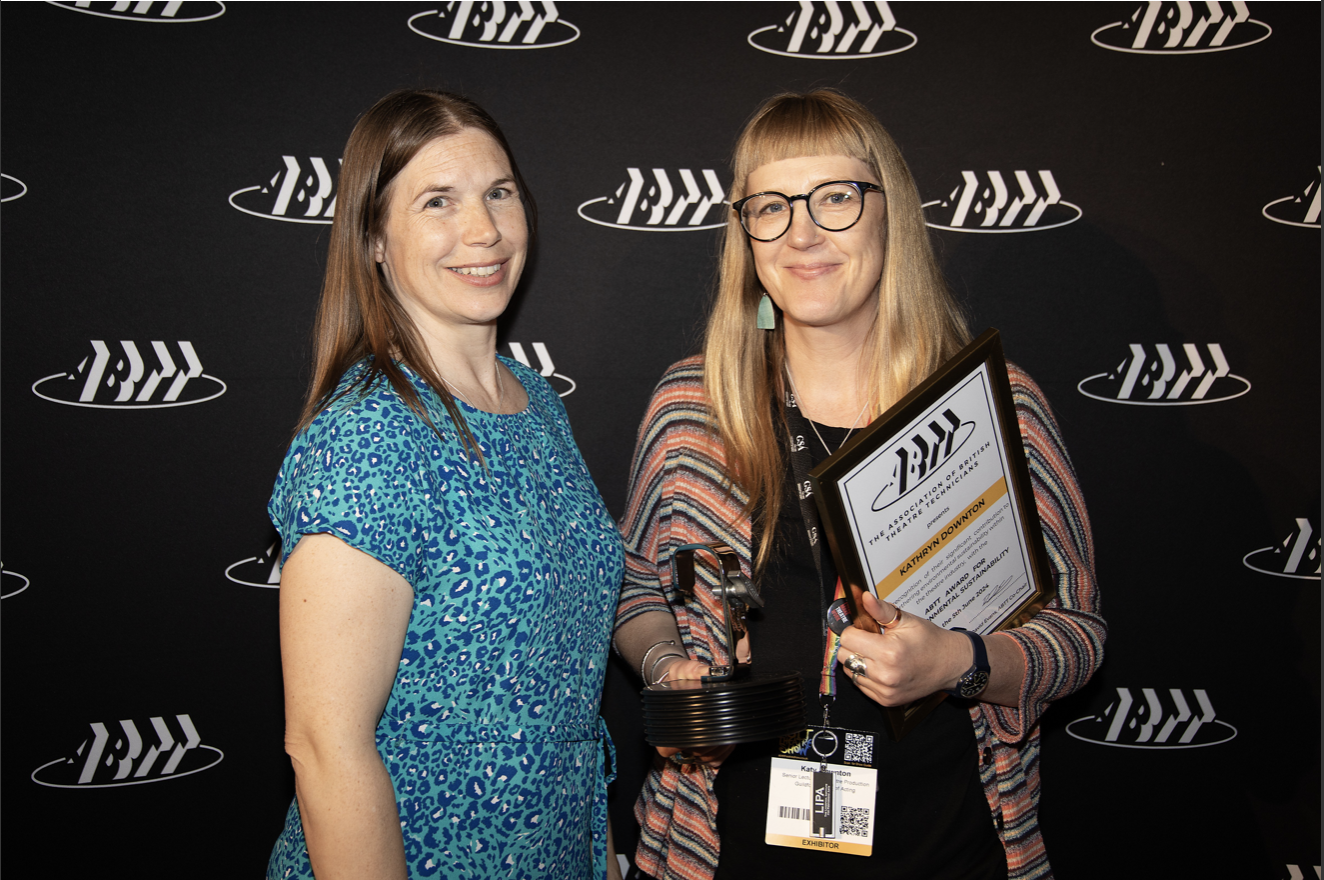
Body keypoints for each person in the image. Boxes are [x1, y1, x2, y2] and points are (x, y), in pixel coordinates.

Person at [614, 90, 1104, 880]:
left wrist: (958, 662)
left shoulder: (993, 406)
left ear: (891, 213)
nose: (801, 233)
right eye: (769, 206)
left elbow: (1077, 634)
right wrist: (672, 666)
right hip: (722, 853)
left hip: (952, 850)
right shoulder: (692, 407)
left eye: (835, 197)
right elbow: (636, 592)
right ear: (745, 234)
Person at [266, 89, 624, 880]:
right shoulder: (369, 436)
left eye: (499, 192)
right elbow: (326, 746)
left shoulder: (537, 405)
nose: (484, 230)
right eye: (438, 201)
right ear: (376, 241)